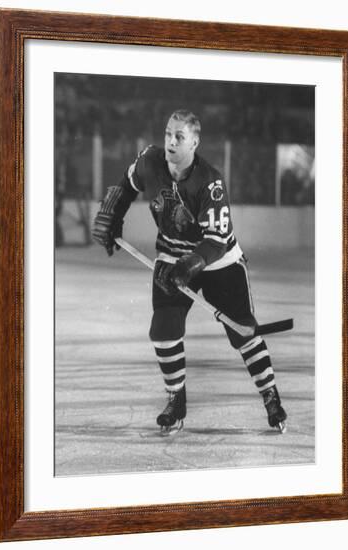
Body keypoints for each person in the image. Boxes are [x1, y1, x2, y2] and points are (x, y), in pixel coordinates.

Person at [92, 109, 287, 435]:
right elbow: (127, 185)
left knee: (243, 332)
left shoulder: (209, 182)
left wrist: (188, 266)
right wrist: (112, 214)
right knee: (163, 328)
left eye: (178, 136)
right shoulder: (149, 162)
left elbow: (216, 243)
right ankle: (176, 400)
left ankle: (270, 395)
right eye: (168, 133)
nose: (170, 141)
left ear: (194, 142)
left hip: (219, 262)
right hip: (172, 255)